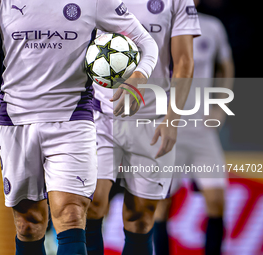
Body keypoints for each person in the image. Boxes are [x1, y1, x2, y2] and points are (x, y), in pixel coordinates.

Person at [0, 0, 159, 254]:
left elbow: (146, 43)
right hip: (16, 121)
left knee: (71, 214)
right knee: (28, 224)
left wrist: (139, 75)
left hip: (72, 120)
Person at [86, 0, 201, 254]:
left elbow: (184, 61)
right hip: (100, 115)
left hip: (152, 120)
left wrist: (172, 120)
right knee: (91, 204)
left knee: (140, 217)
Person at [153, 0, 235, 254]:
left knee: (216, 200)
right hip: (166, 126)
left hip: (201, 127)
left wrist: (220, 107)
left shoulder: (212, 27)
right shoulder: (155, 26)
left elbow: (226, 67)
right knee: (161, 204)